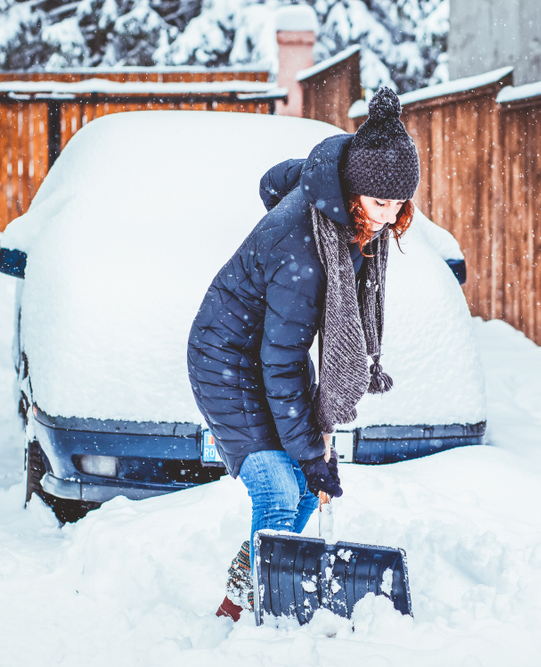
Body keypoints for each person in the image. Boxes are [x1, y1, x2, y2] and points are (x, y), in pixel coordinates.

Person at [186, 86, 421, 621]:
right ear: (355, 187)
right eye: (378, 202)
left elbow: (276, 178)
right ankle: (242, 617)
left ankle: (247, 596)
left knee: (298, 491)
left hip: (265, 347)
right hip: (226, 358)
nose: (387, 217)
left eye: (398, 202)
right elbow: (283, 364)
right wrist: (314, 457)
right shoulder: (307, 249)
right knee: (280, 486)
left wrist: (313, 452)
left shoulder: (333, 195)